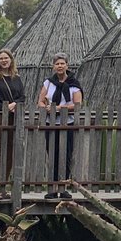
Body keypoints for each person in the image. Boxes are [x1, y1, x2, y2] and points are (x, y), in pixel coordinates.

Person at [38, 53, 83, 200]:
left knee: (66, 155)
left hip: (68, 123)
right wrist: (46, 108)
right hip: (50, 124)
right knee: (52, 155)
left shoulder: (74, 84)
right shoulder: (48, 83)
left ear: (67, 66)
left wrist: (57, 108)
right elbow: (40, 101)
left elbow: (77, 104)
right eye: (57, 64)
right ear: (53, 66)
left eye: (62, 63)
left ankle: (63, 188)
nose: (60, 66)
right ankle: (52, 188)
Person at [0, 48, 25, 199]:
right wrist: (5, 107)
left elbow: (22, 97)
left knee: (10, 152)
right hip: (0, 117)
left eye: (6, 58)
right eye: (1, 58)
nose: (4, 60)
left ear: (11, 60)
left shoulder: (16, 78)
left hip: (14, 117)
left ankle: (4, 185)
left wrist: (14, 105)